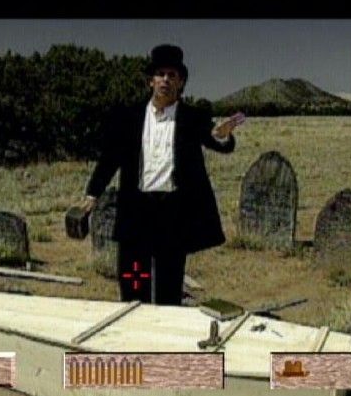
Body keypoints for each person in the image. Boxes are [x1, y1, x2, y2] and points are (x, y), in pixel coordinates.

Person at [82, 44, 244, 305]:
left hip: (173, 212)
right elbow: (111, 157)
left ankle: (166, 326)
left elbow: (217, 141)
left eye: (172, 75)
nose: (165, 80)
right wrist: (92, 193)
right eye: (160, 74)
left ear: (181, 82)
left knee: (169, 282)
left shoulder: (192, 117)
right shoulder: (131, 117)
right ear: (151, 81)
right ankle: (135, 324)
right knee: (134, 279)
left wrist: (223, 136)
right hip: (136, 209)